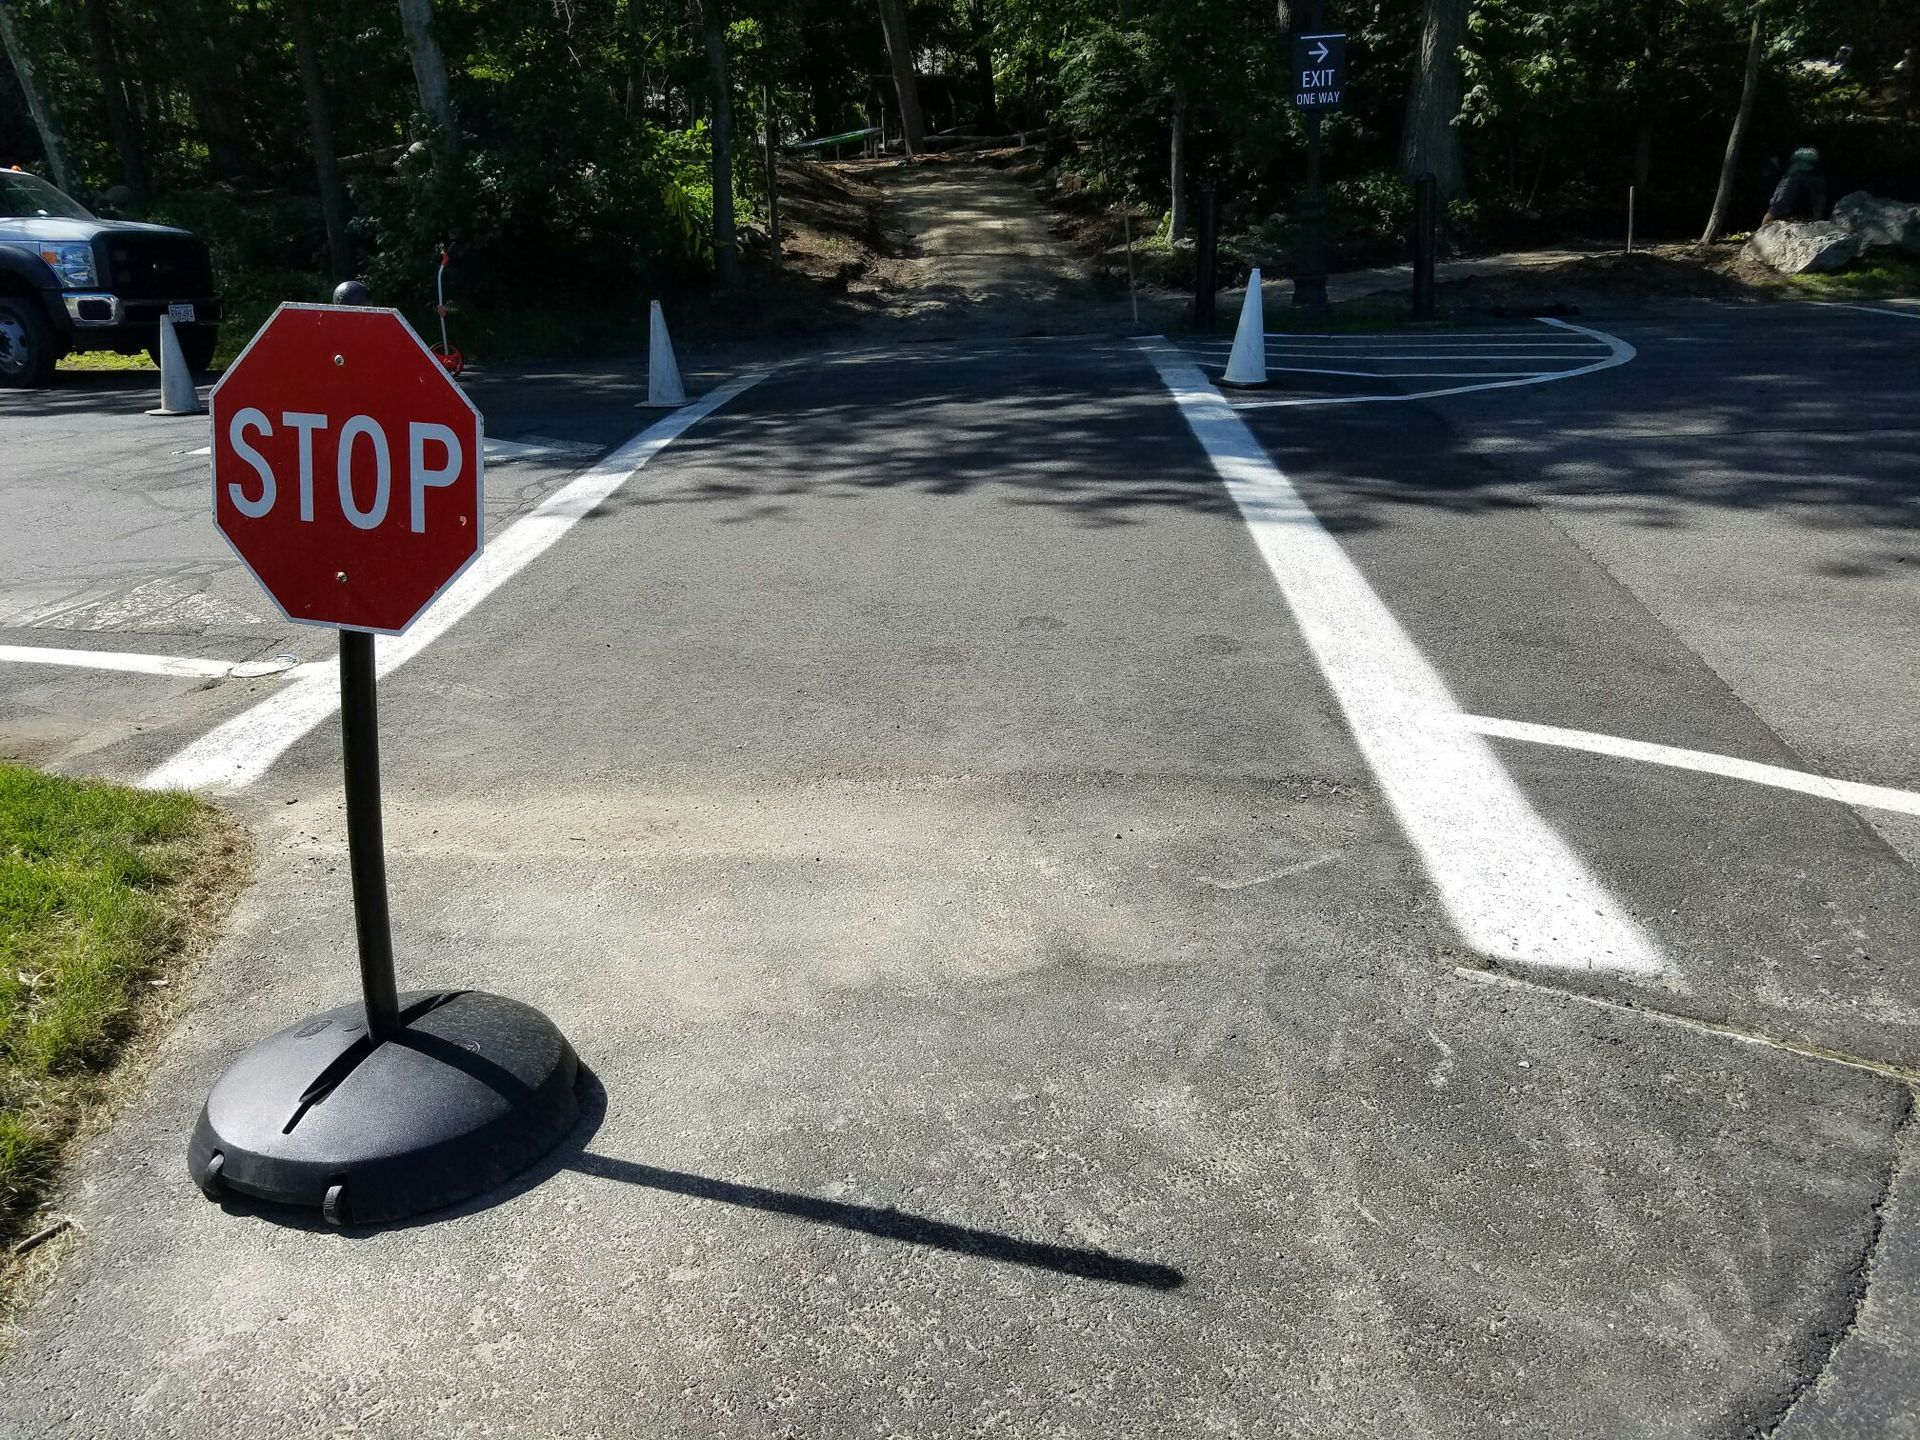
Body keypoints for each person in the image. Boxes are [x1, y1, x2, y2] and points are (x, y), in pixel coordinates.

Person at [1764, 147, 1827, 224]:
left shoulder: (1819, 146)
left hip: (1812, 176)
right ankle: (1764, 227)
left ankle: (1817, 221)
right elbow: (1775, 160)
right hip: (1793, 175)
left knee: (1818, 206)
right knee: (1775, 207)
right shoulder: (1792, 145)